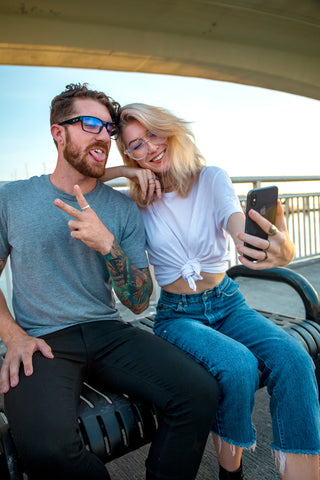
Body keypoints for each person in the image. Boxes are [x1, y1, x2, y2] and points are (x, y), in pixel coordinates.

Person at [0, 84, 220, 480]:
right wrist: (13, 336)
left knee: (199, 394)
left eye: (107, 128)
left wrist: (107, 246)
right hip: (44, 340)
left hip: (108, 331)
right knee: (46, 449)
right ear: (58, 132)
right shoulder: (11, 198)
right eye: (89, 123)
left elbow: (138, 301)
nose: (103, 134)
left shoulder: (121, 207)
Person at [102, 102, 320, 480]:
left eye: (154, 134)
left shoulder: (211, 178)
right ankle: (230, 473)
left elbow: (237, 224)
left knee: (295, 360)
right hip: (177, 314)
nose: (150, 148)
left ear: (170, 130)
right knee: (236, 365)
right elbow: (76, 180)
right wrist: (124, 172)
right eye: (135, 145)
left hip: (228, 303)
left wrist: (277, 249)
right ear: (129, 154)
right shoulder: (135, 200)